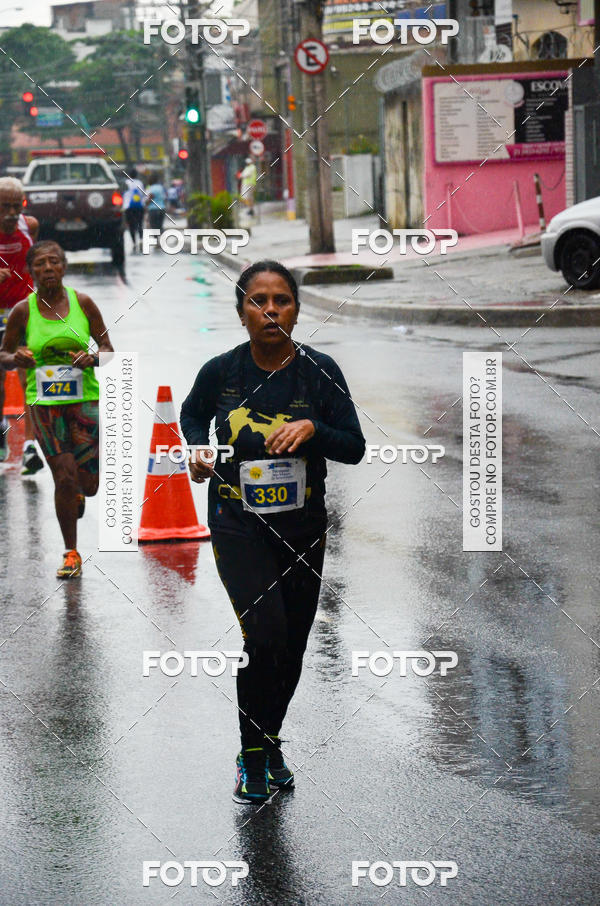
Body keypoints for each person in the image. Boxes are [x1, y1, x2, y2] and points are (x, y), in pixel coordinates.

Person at [180, 260, 364, 804]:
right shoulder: (221, 372)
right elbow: (192, 417)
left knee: (292, 645)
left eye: (281, 300)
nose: (271, 310)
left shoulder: (320, 371)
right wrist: (199, 448)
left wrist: (314, 429)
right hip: (237, 521)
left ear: (297, 311)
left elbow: (353, 446)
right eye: (258, 301)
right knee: (263, 636)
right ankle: (253, 757)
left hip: (303, 525)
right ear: (241, 313)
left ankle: (269, 737)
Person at [0, 240, 113, 578]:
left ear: (64, 267)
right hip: (44, 404)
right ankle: (71, 553)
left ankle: (78, 494)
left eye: (54, 262)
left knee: (87, 484)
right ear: (31, 271)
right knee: (63, 474)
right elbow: (3, 355)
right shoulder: (23, 311)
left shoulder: (84, 304)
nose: (48, 269)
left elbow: (108, 348)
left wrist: (93, 358)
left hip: (84, 401)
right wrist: (15, 357)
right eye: (40, 264)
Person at [0, 176, 43, 473]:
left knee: (30, 379)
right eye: (5, 206)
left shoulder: (31, 226)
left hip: (24, 312)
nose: (12, 213)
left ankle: (30, 446)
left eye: (17, 206)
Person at [123, 167, 145, 252]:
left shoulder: (126, 183)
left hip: (128, 207)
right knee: (139, 224)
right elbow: (143, 194)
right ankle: (141, 239)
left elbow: (123, 194)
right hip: (139, 207)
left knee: (131, 225)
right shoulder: (140, 183)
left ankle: (134, 242)